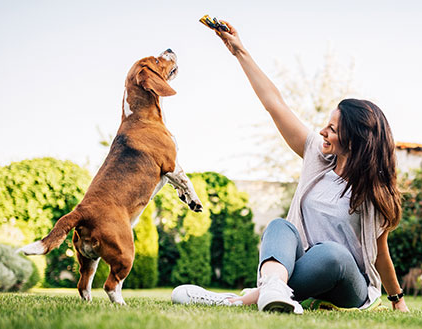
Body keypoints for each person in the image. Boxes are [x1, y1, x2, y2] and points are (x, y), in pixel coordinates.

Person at [171, 20, 409, 313]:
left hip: (348, 284)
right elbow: (275, 104)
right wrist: (239, 51)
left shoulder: (373, 192)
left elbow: (380, 254)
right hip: (303, 272)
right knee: (280, 226)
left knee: (332, 254)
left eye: (332, 129)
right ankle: (272, 291)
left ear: (354, 140)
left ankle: (241, 298)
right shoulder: (317, 157)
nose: (322, 131)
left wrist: (397, 300)